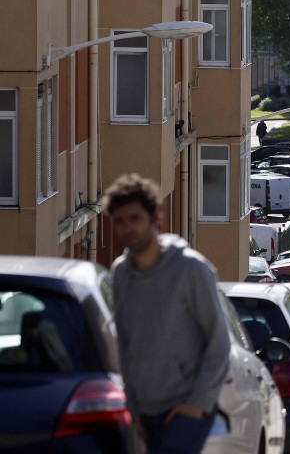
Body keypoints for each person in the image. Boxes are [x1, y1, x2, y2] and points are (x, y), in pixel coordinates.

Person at [102, 174, 230, 454]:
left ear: (156, 216)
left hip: (186, 409)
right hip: (145, 412)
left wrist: (197, 403)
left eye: (135, 218)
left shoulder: (192, 270)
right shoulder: (120, 273)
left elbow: (219, 342)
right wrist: (133, 409)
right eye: (120, 221)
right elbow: (125, 344)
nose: (127, 228)